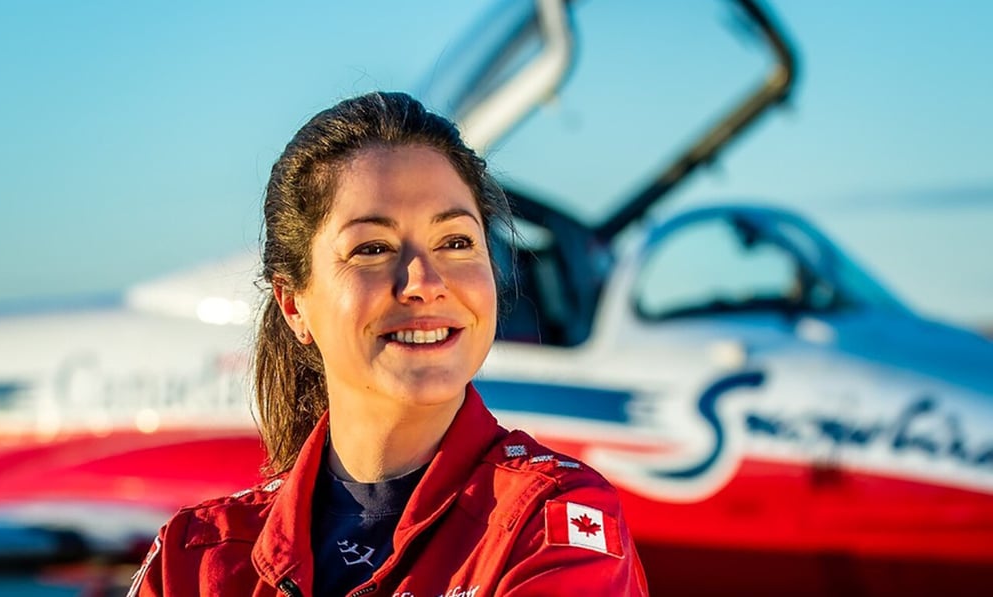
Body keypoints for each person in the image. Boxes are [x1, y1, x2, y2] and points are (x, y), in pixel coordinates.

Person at [129, 91, 649, 597]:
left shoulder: (552, 524)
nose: (424, 281)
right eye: (373, 249)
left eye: (456, 242)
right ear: (294, 305)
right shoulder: (195, 557)